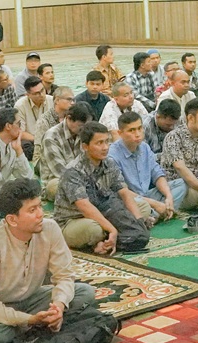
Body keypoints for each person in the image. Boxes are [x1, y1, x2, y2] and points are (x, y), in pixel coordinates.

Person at [0, 178, 101, 343]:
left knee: (85, 292)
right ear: (12, 220)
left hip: (29, 299)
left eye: (40, 206)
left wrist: (58, 307)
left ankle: (32, 328)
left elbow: (64, 276)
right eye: (32, 210)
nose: (41, 214)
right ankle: (34, 328)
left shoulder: (50, 229)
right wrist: (30, 320)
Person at [55, 122, 153, 251]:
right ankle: (109, 237)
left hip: (103, 211)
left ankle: (108, 239)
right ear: (85, 146)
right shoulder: (73, 171)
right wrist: (112, 229)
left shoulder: (109, 163)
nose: (105, 147)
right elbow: (84, 207)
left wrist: (139, 221)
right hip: (75, 219)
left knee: (143, 207)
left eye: (107, 142)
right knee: (94, 230)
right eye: (99, 143)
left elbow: (123, 192)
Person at [109, 110, 174, 219]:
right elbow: (122, 192)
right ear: (120, 133)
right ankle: (158, 212)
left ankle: (159, 212)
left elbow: (157, 173)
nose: (137, 134)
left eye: (140, 128)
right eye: (131, 130)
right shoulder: (112, 156)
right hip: (131, 199)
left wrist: (169, 196)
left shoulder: (145, 147)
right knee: (139, 207)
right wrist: (154, 204)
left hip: (148, 195)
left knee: (181, 185)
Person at [35, 102, 90, 200]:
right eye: (81, 126)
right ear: (69, 118)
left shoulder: (83, 133)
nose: (84, 129)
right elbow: (61, 172)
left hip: (81, 178)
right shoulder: (51, 137)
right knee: (57, 187)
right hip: (58, 180)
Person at [15, 74, 54, 159]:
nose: (42, 94)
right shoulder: (20, 105)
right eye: (37, 93)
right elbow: (20, 132)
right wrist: (38, 140)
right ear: (28, 95)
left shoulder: (52, 100)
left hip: (51, 138)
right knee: (24, 146)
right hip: (32, 140)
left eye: (42, 90)